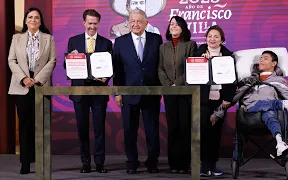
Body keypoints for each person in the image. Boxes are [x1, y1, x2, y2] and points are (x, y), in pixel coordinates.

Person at [224, 50, 288, 156]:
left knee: (269, 113)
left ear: (274, 63)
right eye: (260, 58)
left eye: (265, 58)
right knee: (269, 106)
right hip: (249, 113)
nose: (261, 60)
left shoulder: (278, 81)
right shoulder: (248, 80)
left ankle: (280, 143)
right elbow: (234, 97)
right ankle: (282, 104)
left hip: (268, 114)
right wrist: (217, 114)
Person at [113, 9, 163, 174]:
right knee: (129, 130)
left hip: (151, 93)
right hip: (129, 94)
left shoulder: (156, 39)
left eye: (139, 21)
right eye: (132, 21)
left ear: (146, 23)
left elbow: (159, 66)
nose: (135, 24)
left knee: (152, 131)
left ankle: (152, 162)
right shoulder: (120, 42)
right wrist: (118, 92)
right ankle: (131, 162)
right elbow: (118, 70)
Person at [7, 7, 56, 174]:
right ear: (26, 20)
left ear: (40, 21)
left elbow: (52, 60)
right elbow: (11, 60)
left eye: (36, 17)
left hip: (40, 85)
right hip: (21, 86)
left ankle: (41, 161)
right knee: (25, 124)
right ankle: (25, 163)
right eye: (30, 17)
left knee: (41, 126)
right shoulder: (17, 38)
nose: (33, 20)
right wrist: (24, 78)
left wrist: (37, 79)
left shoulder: (49, 38)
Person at [66, 9, 112, 173]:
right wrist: (72, 59)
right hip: (79, 91)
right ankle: (85, 162)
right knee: (82, 128)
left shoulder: (106, 43)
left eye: (95, 23)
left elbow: (110, 67)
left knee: (99, 128)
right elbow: (67, 66)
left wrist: (106, 77)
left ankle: (100, 163)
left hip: (99, 91)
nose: (92, 26)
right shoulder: (74, 41)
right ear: (84, 22)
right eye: (89, 23)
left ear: (99, 23)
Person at [194, 25, 237, 177]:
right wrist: (202, 60)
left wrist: (228, 99)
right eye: (210, 36)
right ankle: (204, 166)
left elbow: (233, 80)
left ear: (222, 40)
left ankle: (213, 164)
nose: (212, 39)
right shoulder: (198, 53)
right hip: (202, 100)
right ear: (206, 39)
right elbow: (192, 75)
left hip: (220, 101)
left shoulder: (228, 55)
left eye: (216, 36)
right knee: (204, 132)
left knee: (216, 133)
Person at [158, 16, 197, 174]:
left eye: (176, 24)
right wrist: (168, 85)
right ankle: (173, 164)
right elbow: (160, 69)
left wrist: (177, 84)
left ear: (183, 27)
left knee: (184, 127)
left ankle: (185, 164)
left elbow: (191, 67)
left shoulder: (191, 45)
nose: (173, 26)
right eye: (171, 24)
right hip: (169, 93)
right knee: (173, 127)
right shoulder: (163, 47)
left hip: (185, 92)